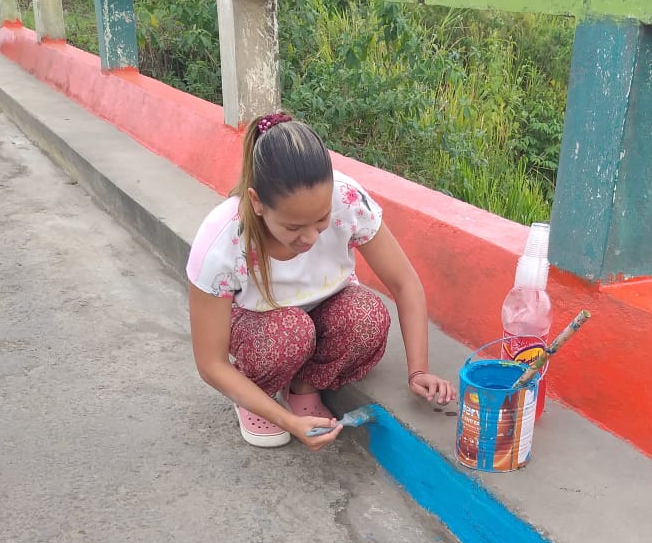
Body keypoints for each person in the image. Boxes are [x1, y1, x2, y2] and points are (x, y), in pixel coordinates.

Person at [186, 112, 456, 450]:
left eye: (321, 219)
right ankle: (256, 394)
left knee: (368, 316)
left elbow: (404, 283)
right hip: (261, 326)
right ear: (257, 203)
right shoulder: (222, 240)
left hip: (326, 309)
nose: (311, 238)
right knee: (291, 332)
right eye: (293, 228)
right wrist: (287, 422)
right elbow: (210, 363)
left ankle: (304, 387)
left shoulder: (347, 199)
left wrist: (419, 370)